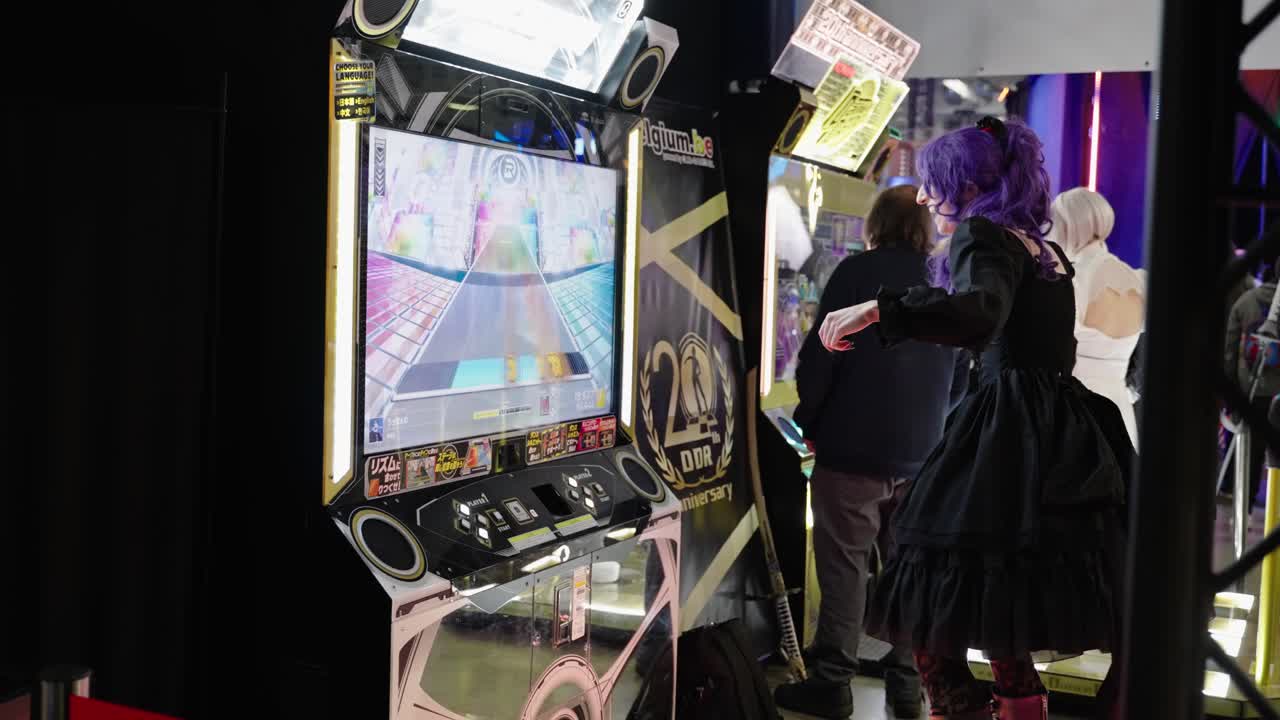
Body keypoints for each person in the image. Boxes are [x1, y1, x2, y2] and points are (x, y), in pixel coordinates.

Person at [817, 117, 1133, 719]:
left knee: (939, 627)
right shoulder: (1047, 250)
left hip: (1004, 438)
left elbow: (978, 314)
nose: (922, 196)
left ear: (963, 186)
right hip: (1057, 434)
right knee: (999, 614)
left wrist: (877, 311)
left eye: (933, 182)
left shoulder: (983, 235)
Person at [776, 185, 967, 720]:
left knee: (843, 569)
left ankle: (832, 683)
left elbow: (820, 362)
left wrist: (806, 421)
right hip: (921, 457)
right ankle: (909, 685)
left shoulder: (854, 276)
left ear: (876, 223)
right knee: (907, 573)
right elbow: (959, 380)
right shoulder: (944, 284)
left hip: (850, 451)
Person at [1050, 188, 1145, 448]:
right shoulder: (1138, 279)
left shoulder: (1072, 281)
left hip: (1075, 410)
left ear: (1068, 226)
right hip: (1120, 408)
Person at [1223, 256, 1280, 505]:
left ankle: (1242, 505)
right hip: (1277, 392)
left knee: (1250, 451)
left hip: (1250, 389)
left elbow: (1230, 349)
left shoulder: (1246, 302)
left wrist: (1231, 390)